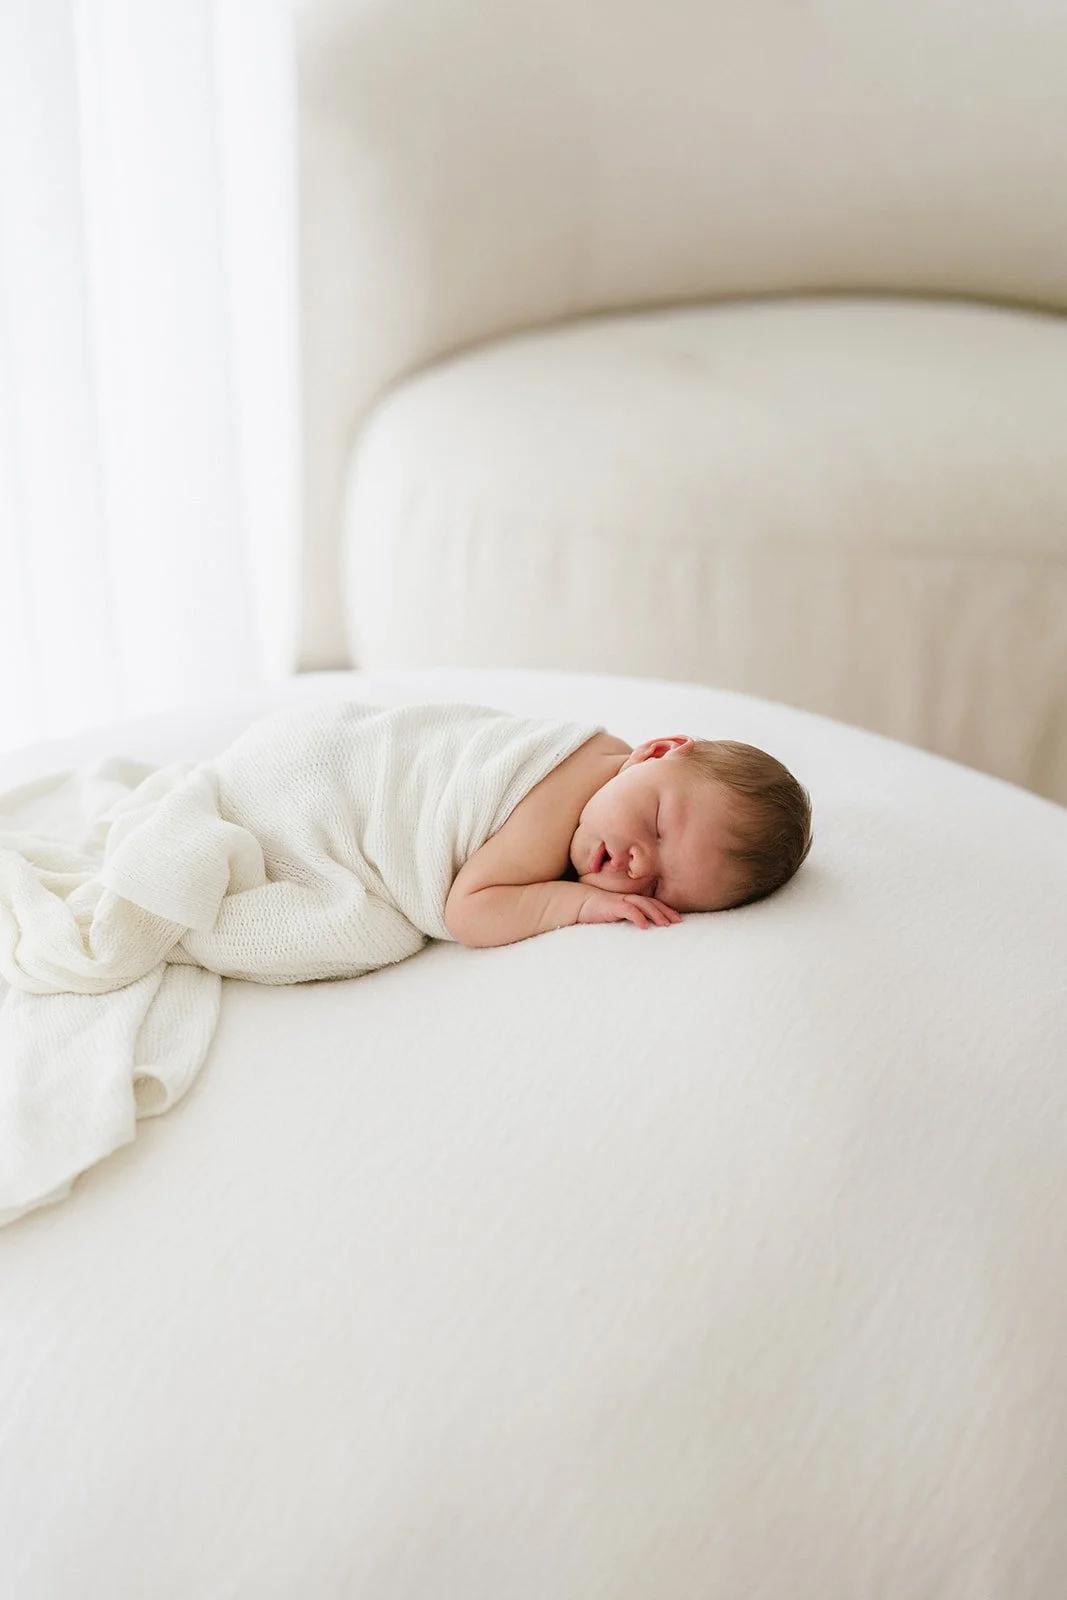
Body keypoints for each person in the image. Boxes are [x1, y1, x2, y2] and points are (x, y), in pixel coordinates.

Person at [445, 730, 812, 948]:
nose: (638, 866)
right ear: (656, 752)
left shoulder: (611, 753)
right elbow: (466, 912)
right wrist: (581, 904)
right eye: (656, 826)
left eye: (654, 888)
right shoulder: (549, 815)